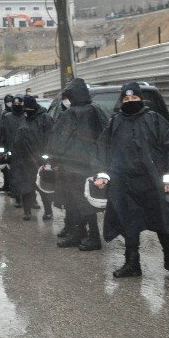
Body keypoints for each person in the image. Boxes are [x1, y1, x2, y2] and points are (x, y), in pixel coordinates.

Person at [94, 82, 169, 278]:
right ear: (122, 101)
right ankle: (132, 264)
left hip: (153, 183)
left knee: (163, 221)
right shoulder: (114, 123)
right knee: (129, 224)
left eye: (134, 98)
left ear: (141, 99)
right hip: (125, 184)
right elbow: (102, 149)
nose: (131, 101)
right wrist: (103, 174)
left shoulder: (155, 120)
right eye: (127, 99)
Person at [47, 79, 109, 250]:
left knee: (75, 201)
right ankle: (83, 234)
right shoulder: (97, 110)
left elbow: (59, 139)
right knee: (88, 200)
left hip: (72, 165)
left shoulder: (70, 114)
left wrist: (54, 160)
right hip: (92, 164)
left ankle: (89, 237)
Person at [12, 95, 54, 221]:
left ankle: (48, 211)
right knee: (26, 187)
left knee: (43, 187)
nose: (26, 112)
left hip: (41, 159)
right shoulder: (24, 120)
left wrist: (49, 157)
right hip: (25, 160)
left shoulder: (45, 118)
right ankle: (27, 212)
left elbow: (52, 137)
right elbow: (18, 139)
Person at [0, 95, 20, 193]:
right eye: (7, 101)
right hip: (5, 143)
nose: (9, 103)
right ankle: (7, 184)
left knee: (13, 167)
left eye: (10, 101)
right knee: (4, 166)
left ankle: (13, 187)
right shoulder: (4, 114)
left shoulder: (17, 114)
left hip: (15, 143)